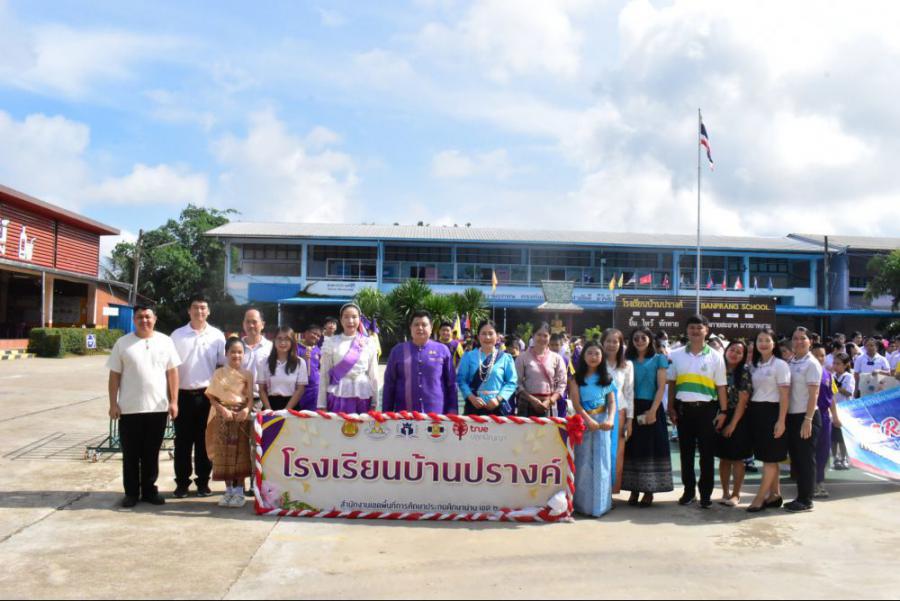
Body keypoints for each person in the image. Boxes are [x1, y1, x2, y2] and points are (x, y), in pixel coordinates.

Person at [107, 305, 181, 508]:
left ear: (155, 319)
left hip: (157, 408)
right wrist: (113, 404)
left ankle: (149, 491)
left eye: (148, 316)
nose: (144, 320)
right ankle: (131, 493)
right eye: (139, 317)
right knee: (131, 454)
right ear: (134, 320)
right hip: (129, 409)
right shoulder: (123, 343)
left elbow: (172, 373)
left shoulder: (165, 342)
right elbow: (114, 376)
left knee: (151, 453)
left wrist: (174, 401)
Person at [667, 315, 728, 508]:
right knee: (686, 454)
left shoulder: (716, 356)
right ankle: (689, 492)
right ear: (687, 330)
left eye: (699, 327)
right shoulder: (675, 355)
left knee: (707, 455)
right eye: (691, 327)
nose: (695, 331)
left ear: (706, 331)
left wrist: (724, 411)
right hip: (683, 410)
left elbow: (721, 386)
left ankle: (706, 494)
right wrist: (670, 407)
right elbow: (672, 383)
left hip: (707, 411)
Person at [170, 293, 226, 498]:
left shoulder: (217, 336)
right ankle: (182, 483)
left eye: (203, 307)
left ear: (208, 311)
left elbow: (222, 367)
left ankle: (203, 482)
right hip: (182, 395)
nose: (199, 311)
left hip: (207, 396)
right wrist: (172, 399)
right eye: (195, 307)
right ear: (189, 311)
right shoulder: (177, 335)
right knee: (182, 443)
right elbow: (170, 368)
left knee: (205, 442)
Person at [622, 326, 673, 507]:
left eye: (643, 338)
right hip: (631, 407)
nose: (639, 341)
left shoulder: (659, 359)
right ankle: (634, 489)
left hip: (652, 407)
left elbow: (661, 387)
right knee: (633, 448)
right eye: (636, 338)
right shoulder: (627, 360)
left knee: (650, 449)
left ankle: (648, 491)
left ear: (650, 339)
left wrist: (652, 411)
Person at [570, 342, 618, 518]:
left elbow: (611, 402)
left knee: (602, 462)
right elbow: (576, 404)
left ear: (602, 357)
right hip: (584, 423)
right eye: (589, 353)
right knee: (583, 462)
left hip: (603, 423)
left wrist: (610, 419)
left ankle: (601, 505)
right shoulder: (576, 379)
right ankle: (583, 505)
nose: (593, 357)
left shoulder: (607, 378)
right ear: (583, 356)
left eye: (597, 354)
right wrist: (588, 419)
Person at [205, 338, 253, 508]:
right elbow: (211, 396)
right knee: (224, 453)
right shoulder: (219, 373)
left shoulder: (247, 374)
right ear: (226, 353)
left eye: (240, 352)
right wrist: (222, 410)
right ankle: (228, 490)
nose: (236, 355)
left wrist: (246, 410)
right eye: (233, 352)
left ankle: (239, 491)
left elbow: (250, 399)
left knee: (241, 453)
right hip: (222, 417)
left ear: (244, 354)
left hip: (241, 417)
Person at [747, 328, 791, 513]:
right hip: (757, 412)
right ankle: (774, 494)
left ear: (774, 343)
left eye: (767, 340)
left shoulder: (780, 365)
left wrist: (781, 421)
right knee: (767, 458)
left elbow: (784, 395)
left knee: (770, 460)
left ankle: (759, 498)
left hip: (772, 412)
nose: (763, 343)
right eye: (760, 340)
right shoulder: (755, 365)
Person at [382, 310, 458, 414]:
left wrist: (453, 411)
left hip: (436, 415)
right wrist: (386, 413)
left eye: (424, 325)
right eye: (416, 324)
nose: (420, 328)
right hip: (405, 416)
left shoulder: (443, 350)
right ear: (410, 328)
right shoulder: (398, 351)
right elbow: (389, 384)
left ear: (431, 328)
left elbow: (451, 384)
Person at [784, 327, 823, 513]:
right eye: (795, 338)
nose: (799, 341)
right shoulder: (792, 361)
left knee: (806, 459)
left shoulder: (811, 363)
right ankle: (800, 496)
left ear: (810, 342)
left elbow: (814, 394)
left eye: (803, 338)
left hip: (806, 416)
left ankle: (806, 499)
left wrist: (807, 419)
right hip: (792, 415)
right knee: (797, 459)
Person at [317, 303, 379, 413]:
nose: (350, 321)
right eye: (346, 317)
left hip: (363, 395)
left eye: (354, 317)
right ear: (341, 320)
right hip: (338, 395)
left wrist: (375, 402)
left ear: (359, 319)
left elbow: (373, 375)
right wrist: (322, 404)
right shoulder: (331, 342)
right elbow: (324, 375)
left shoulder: (368, 343)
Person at [715, 340, 753, 507]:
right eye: (732, 350)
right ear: (726, 350)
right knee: (724, 458)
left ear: (743, 356)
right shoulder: (718, 368)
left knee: (737, 458)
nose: (734, 354)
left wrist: (732, 424)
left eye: (739, 352)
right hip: (720, 415)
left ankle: (736, 494)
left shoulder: (744, 372)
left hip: (739, 416)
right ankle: (725, 492)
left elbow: (743, 401)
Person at [457, 320, 518, 416]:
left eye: (490, 333)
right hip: (473, 408)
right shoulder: (468, 357)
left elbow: (512, 382)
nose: (487, 337)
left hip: (498, 409)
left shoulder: (505, 358)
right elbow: (461, 381)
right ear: (478, 336)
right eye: (484, 334)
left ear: (497, 336)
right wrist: (472, 398)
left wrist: (498, 399)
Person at [602, 328, 634, 495]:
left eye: (615, 342)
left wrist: (629, 419)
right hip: (598, 412)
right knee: (600, 452)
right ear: (602, 343)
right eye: (608, 341)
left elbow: (629, 393)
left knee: (616, 453)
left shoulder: (627, 365)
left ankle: (611, 492)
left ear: (621, 344)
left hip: (619, 413)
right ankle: (599, 492)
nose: (612, 345)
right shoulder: (596, 362)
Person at [515, 323, 567, 418]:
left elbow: (562, 383)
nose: (542, 338)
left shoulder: (557, 358)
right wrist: (532, 400)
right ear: (533, 335)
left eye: (545, 335)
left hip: (549, 405)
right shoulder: (522, 357)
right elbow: (517, 383)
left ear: (549, 337)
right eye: (539, 335)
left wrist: (550, 401)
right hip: (527, 404)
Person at [811, 343, 840, 499]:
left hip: (824, 416)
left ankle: (819, 482)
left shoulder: (828, 375)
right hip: (808, 415)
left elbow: (832, 398)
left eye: (822, 355)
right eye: (815, 355)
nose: (819, 358)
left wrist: (835, 416)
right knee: (809, 452)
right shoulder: (805, 372)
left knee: (823, 451)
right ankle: (809, 483)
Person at [259, 327, 308, 411]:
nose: (282, 342)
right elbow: (262, 390)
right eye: (279, 338)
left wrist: (286, 410)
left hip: (291, 407)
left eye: (287, 339)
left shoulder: (300, 362)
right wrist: (268, 409)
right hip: (270, 407)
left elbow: (300, 389)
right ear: (274, 340)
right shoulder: (264, 362)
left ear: (292, 342)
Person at [240, 308, 273, 406]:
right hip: (239, 401)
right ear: (243, 324)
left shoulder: (271, 347)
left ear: (262, 324)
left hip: (263, 401)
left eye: (254, 322)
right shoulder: (236, 347)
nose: (251, 325)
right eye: (247, 322)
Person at [831, 352, 855, 470]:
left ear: (845, 365)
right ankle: (835, 458)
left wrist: (837, 387)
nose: (835, 366)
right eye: (834, 363)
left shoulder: (848, 377)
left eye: (838, 364)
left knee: (842, 437)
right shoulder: (831, 376)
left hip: (845, 410)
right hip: (833, 409)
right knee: (833, 437)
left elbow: (849, 392)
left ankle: (844, 458)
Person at [297, 324, 323, 411]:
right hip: (300, 387)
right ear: (306, 333)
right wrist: (302, 359)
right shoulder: (296, 348)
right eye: (314, 333)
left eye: (318, 336)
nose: (316, 337)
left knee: (312, 413)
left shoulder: (317, 350)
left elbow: (320, 367)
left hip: (314, 388)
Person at [549, 333, 572, 416]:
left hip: (562, 393)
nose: (554, 347)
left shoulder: (566, 359)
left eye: (557, 345)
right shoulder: (544, 359)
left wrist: (570, 394)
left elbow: (570, 378)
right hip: (548, 392)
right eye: (552, 345)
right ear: (548, 345)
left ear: (561, 345)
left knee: (561, 416)